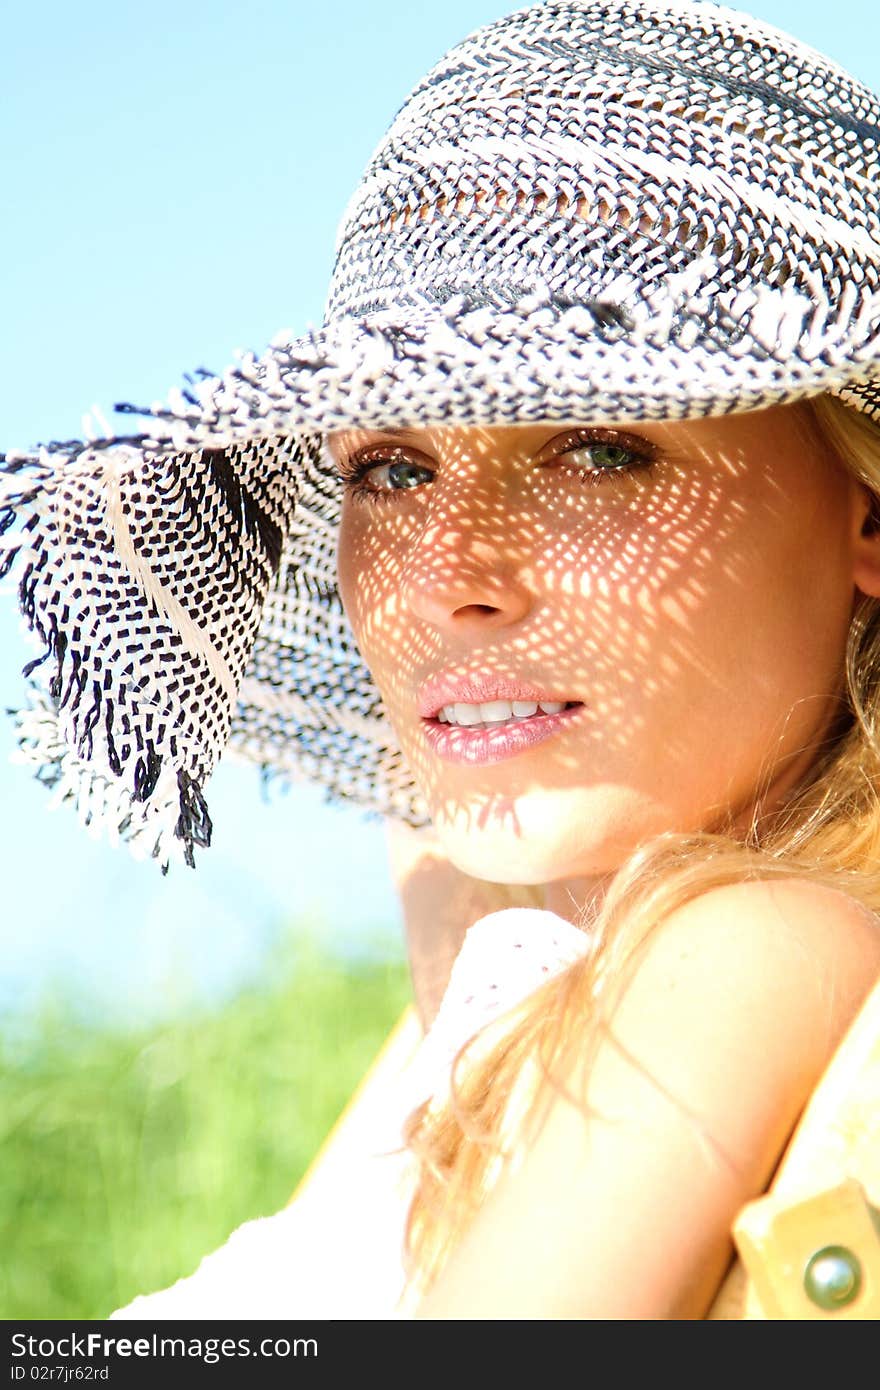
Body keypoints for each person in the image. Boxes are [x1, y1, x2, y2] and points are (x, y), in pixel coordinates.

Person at [2, 0, 879, 1319]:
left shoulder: (740, 952)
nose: (442, 574)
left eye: (597, 448)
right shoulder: (559, 974)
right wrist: (465, 939)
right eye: (394, 469)